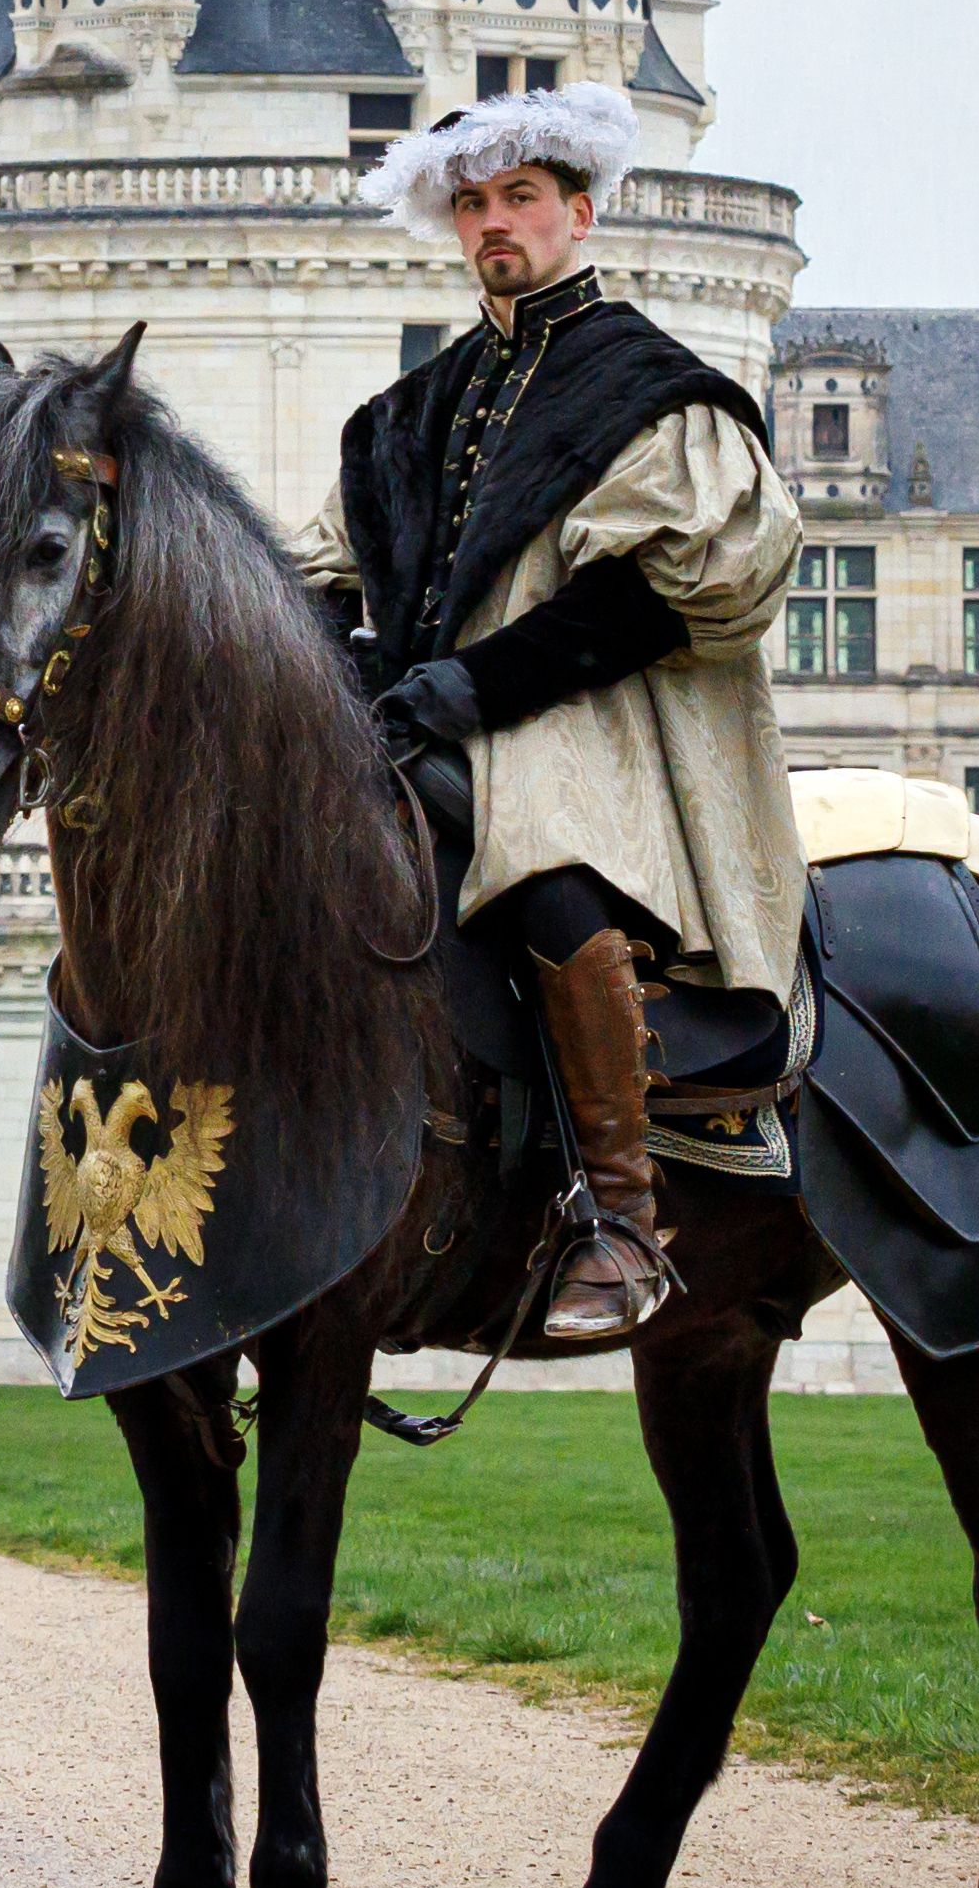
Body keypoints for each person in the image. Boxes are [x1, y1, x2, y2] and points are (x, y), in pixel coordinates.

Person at [316, 84, 806, 1343]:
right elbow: (325, 571)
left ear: (578, 213)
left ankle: (621, 1217)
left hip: (594, 718)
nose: (495, 221)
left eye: (521, 197)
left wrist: (479, 683)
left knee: (542, 854)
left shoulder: (650, 388)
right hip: (423, 721)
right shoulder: (411, 411)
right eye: (474, 202)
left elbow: (671, 590)